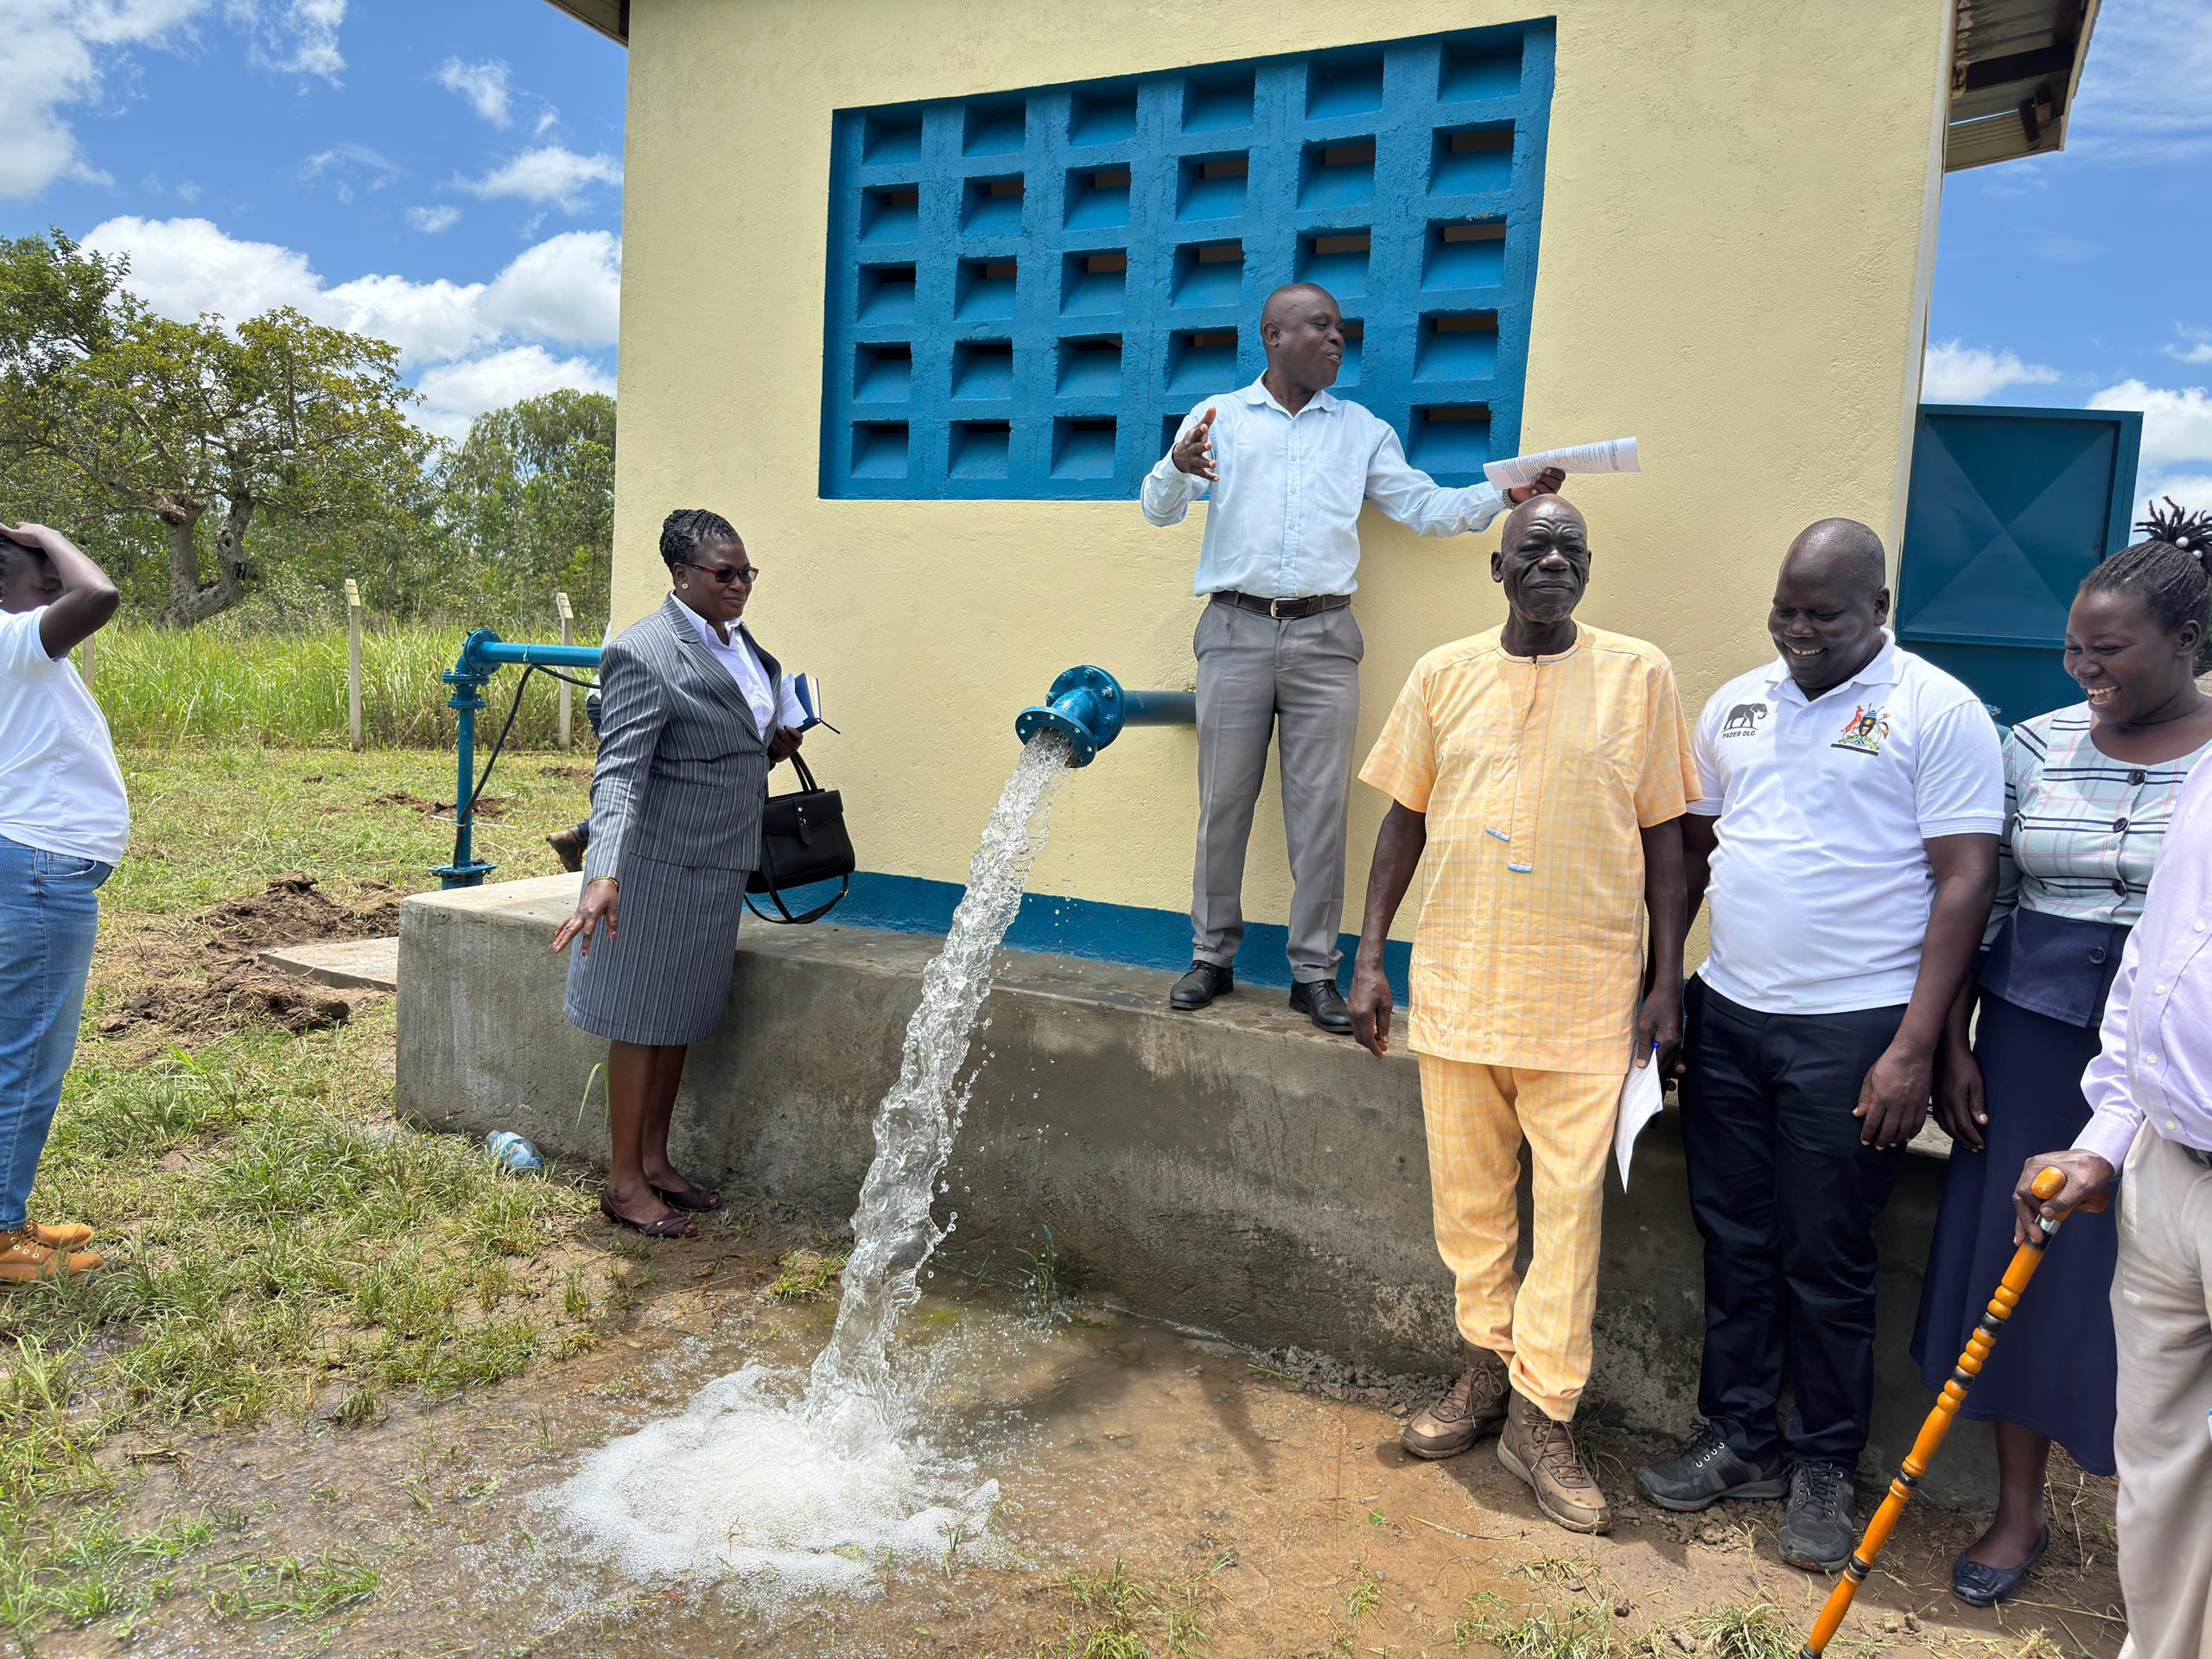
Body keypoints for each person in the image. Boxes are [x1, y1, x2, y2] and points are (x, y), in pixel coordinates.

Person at [1633, 519, 2002, 1574]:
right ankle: (1737, 1437)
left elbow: (1965, 880)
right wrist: (1663, 986)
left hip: (1857, 1032)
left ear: (1878, 608)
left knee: (1829, 1257)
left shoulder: (1935, 709)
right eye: (1785, 610)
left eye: (1824, 614)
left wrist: (1915, 1047)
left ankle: (1825, 1464)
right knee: (1733, 1238)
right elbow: (1693, 859)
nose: (1799, 631)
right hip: (1731, 1014)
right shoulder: (1737, 702)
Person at [1347, 494, 1694, 1535]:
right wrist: (1368, 957)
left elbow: (1669, 842)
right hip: (1455, 991)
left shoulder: (1639, 675)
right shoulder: (1441, 674)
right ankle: (1484, 1376)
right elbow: (1401, 820)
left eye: (1572, 549)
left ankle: (1545, 1415)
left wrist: (1666, 978)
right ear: (1495, 567)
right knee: (1470, 1214)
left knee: (1572, 1222)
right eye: (1532, 548)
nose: (1553, 560)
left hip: (1587, 1004)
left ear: (1588, 569)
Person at [1911, 502, 2212, 1609]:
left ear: (2186, 643)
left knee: (2151, 1290)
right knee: (2025, 1275)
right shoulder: (2032, 744)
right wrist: (1950, 1040)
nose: (2086, 668)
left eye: (2112, 648)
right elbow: (1983, 899)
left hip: (2179, 1059)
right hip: (2032, 1040)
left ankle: (2165, 1558)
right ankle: (2018, 1510)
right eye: (2075, 647)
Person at [1140, 282, 1560, 1033]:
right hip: (1234, 630)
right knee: (1223, 806)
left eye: (1341, 329)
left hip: (1324, 637)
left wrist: (1506, 498)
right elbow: (1159, 509)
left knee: (1321, 812)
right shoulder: (1218, 418)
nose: (1338, 340)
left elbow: (1424, 508)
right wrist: (1176, 463)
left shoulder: (1361, 430)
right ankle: (1212, 958)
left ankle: (1313, 975)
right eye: (1321, 326)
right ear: (1273, 335)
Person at [2012, 501, 2212, 1659]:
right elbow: (2156, 969)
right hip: (2166, 1174)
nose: (2088, 671)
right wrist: (2108, 1135)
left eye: (2113, 648)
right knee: (2163, 1476)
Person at [552, 509, 803, 1236]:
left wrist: (768, 747)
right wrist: (604, 874)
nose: (740, 586)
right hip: (654, 866)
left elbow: (718, 739)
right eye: (724, 574)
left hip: (716, 861)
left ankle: (656, 1164)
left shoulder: (733, 639)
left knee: (678, 1020)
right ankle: (624, 1184)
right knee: (638, 1020)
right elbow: (622, 774)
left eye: (747, 572)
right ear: (681, 574)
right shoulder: (644, 652)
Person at [0, 521, 124, 1285]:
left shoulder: (23, 651)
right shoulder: (12, 638)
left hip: (31, 865)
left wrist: (30, 553)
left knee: (16, 1046)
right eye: (32, 568)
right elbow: (99, 593)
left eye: (53, 567)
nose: (52, 580)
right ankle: (4, 1235)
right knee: (29, 1058)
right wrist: (47, 532)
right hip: (40, 872)